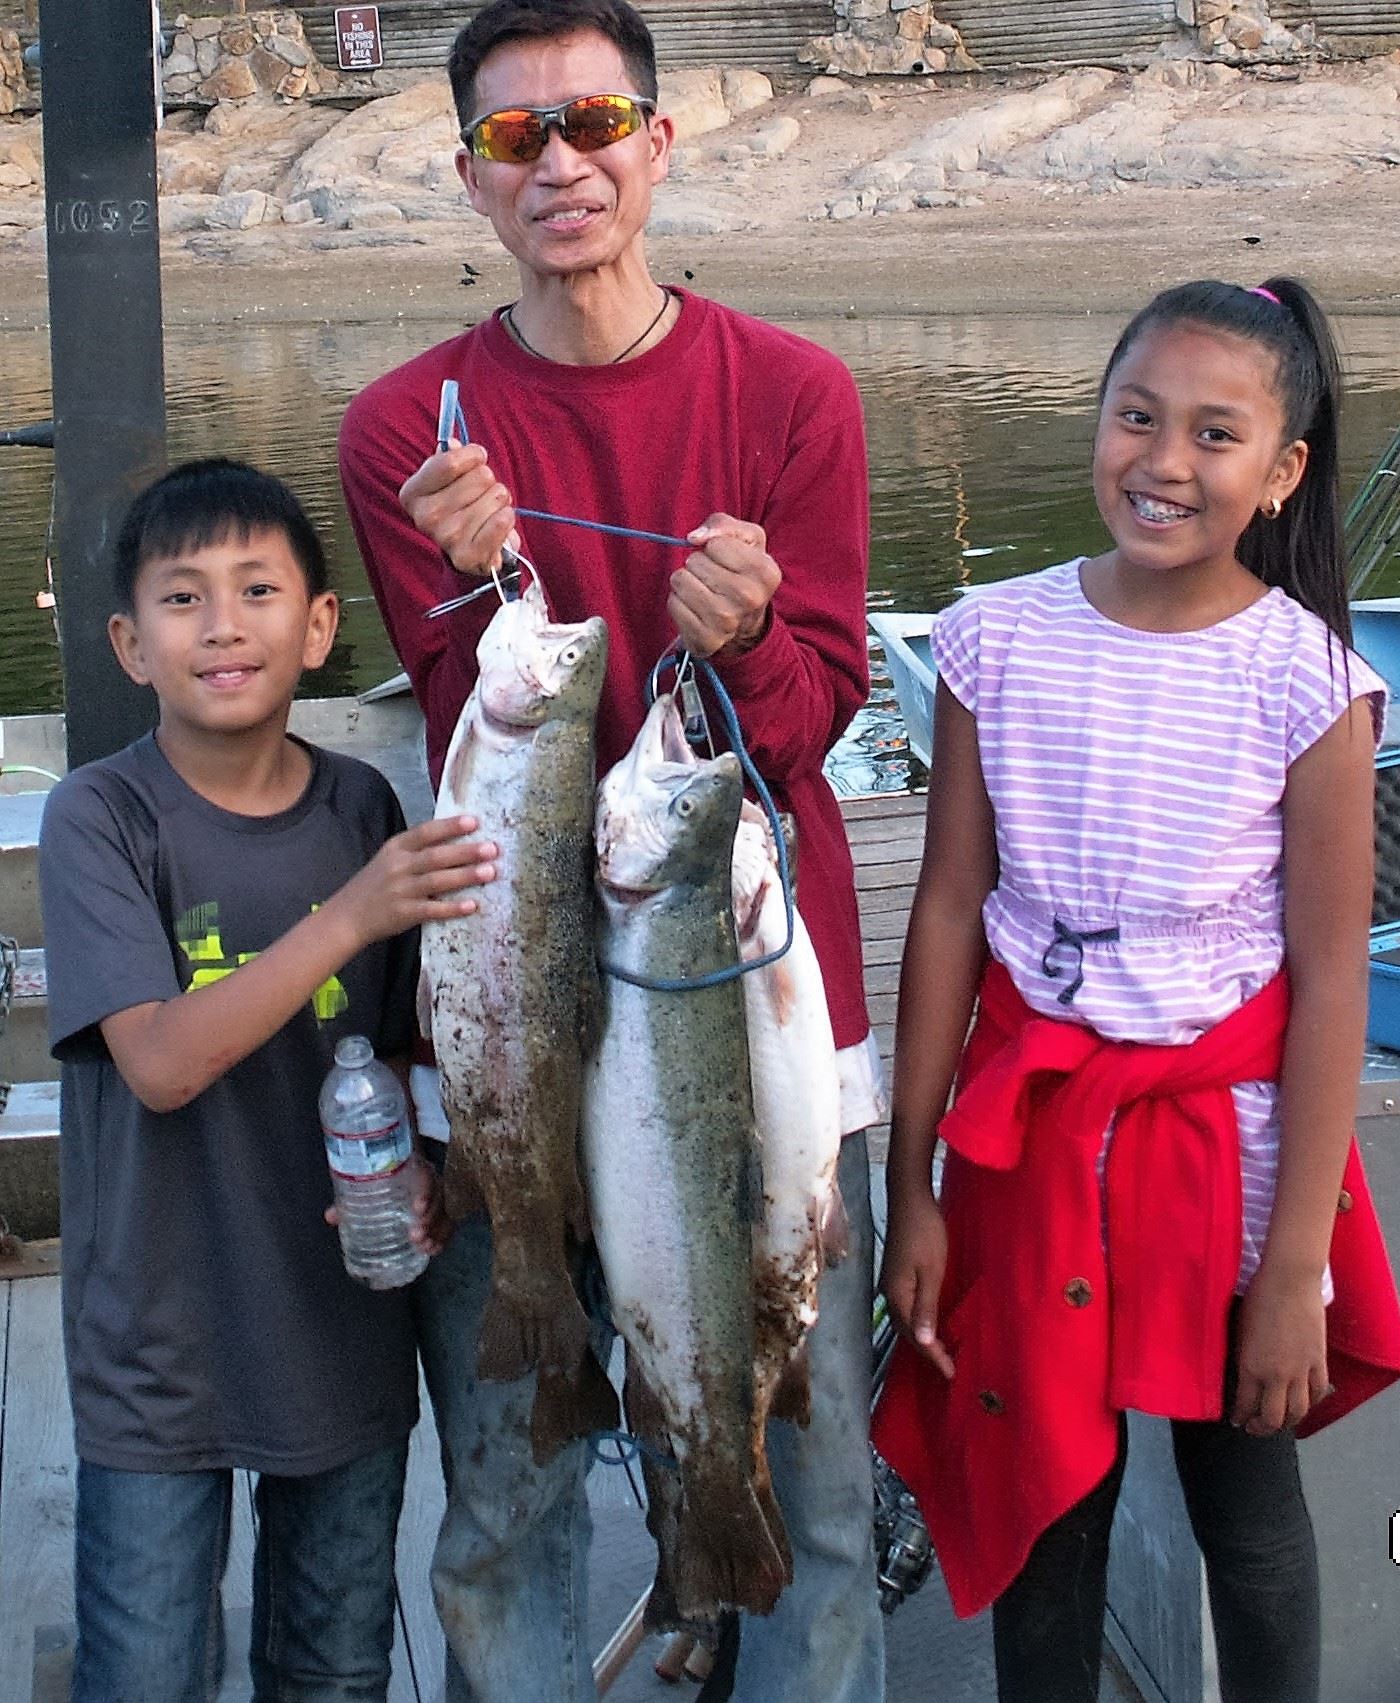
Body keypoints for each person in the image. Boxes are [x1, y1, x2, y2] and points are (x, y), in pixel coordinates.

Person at [337, 3, 885, 1699]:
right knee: (503, 1508)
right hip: (513, 1013)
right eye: (518, 137)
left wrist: (761, 633)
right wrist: (473, 581)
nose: (561, 164)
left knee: (814, 1484)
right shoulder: (407, 429)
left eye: (593, 123)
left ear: (657, 140)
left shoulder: (795, 395)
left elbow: (809, 722)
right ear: (471, 179)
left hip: (745, 1001)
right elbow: (481, 727)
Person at [873, 277, 1400, 1703]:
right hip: (1029, 1142)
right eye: (1137, 416)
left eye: (1215, 434)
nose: (1165, 461)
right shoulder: (992, 636)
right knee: (1045, 1504)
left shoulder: (1309, 683)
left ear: (1281, 471)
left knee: (1247, 1500)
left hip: (1220, 1155)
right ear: (1098, 418)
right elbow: (949, 908)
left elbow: (1329, 980)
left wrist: (1291, 1269)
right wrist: (913, 1182)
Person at [38, 458, 494, 1703]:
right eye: (182, 598)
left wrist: (423, 1177)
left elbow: (398, 1052)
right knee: (145, 1669)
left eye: (257, 589)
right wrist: (349, 914)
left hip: (341, 1327)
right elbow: (159, 1062)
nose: (223, 625)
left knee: (335, 1664)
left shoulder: (362, 807)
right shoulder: (100, 818)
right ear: (130, 644)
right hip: (159, 1340)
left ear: (321, 624)